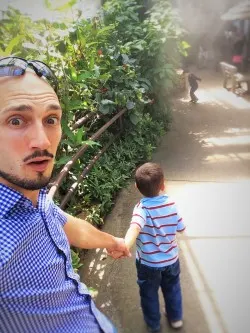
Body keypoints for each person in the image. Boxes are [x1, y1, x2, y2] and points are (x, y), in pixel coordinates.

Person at [0, 56, 131, 333]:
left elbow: (65, 224)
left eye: (51, 119)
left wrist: (112, 240)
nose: (43, 141)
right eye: (15, 120)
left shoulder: (33, 198)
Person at [123, 163, 186, 332]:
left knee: (149, 294)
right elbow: (181, 228)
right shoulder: (172, 204)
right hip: (171, 260)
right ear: (163, 184)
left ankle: (154, 324)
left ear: (137, 187)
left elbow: (134, 228)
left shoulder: (141, 209)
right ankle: (176, 318)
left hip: (148, 264)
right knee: (172, 288)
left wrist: (125, 245)